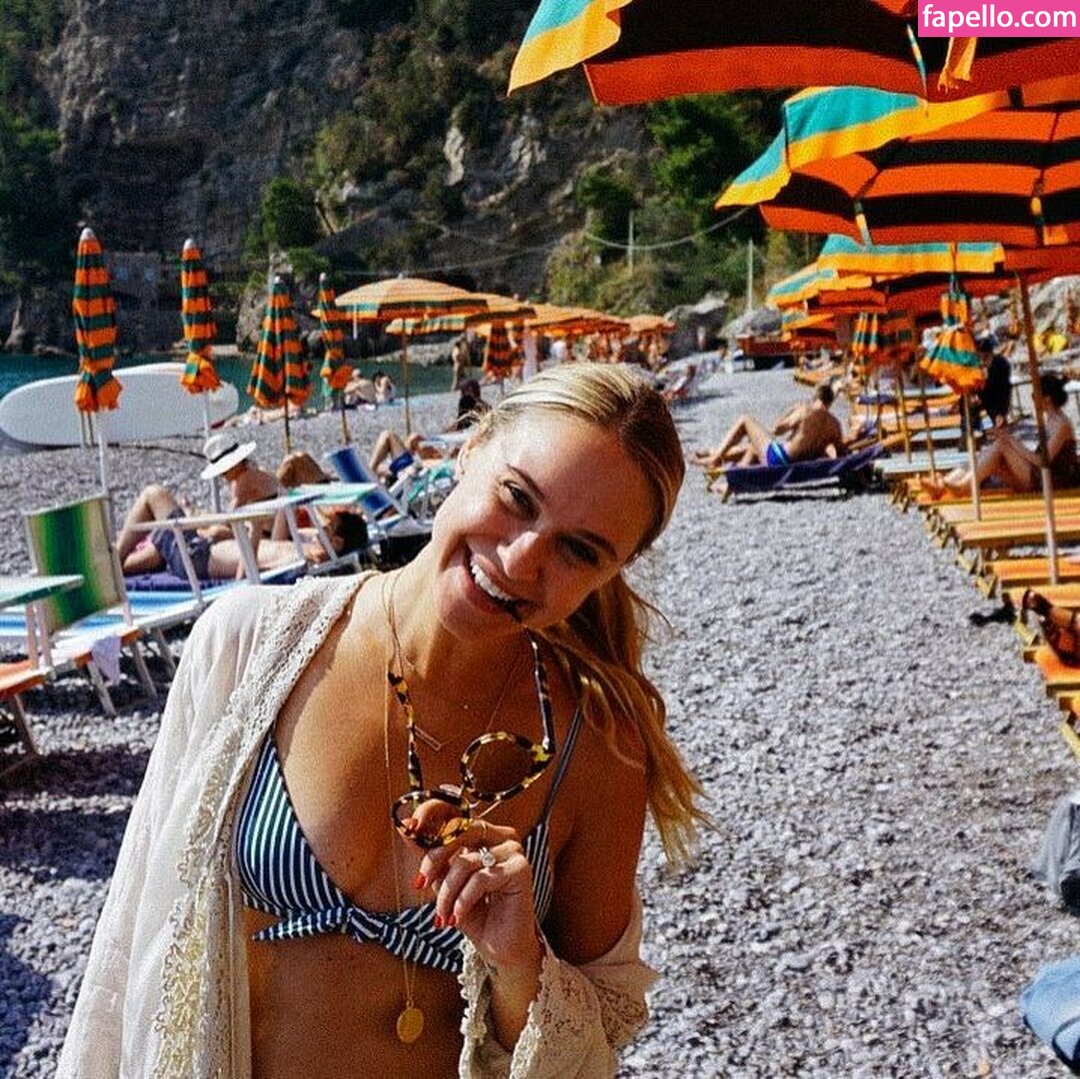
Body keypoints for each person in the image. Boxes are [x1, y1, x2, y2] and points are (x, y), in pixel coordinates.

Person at [58, 363, 705, 1077]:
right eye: (517, 498)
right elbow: (134, 933)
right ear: (471, 449)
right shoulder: (249, 647)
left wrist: (520, 967)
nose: (521, 561)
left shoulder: (596, 747)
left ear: (612, 572)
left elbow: (603, 1025)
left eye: (578, 550)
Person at [114, 483, 367, 581]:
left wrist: (254, 530)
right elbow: (275, 542)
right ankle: (113, 569)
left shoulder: (299, 559)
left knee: (153, 494)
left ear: (336, 542)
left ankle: (112, 560)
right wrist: (285, 500)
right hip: (199, 552)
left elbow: (244, 579)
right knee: (156, 550)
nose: (321, 526)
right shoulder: (303, 550)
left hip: (196, 558)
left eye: (328, 527)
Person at [925, 372, 1080, 498]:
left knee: (1001, 445)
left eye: (1034, 395)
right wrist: (1007, 437)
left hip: (1049, 481)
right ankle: (945, 483)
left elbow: (1042, 461)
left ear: (1047, 399)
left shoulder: (1061, 424)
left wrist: (1009, 439)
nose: (1032, 399)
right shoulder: (1050, 419)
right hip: (1039, 476)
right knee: (993, 455)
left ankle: (962, 486)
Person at [694, 382, 845, 469]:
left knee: (745, 420)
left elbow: (776, 430)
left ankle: (715, 457)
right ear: (830, 402)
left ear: (815, 397)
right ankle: (723, 462)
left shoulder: (806, 410)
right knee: (753, 446)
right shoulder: (835, 425)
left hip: (780, 459)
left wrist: (791, 409)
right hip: (801, 462)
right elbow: (837, 449)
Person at [200, 432, 280, 538]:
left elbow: (231, 515)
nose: (222, 475)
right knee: (211, 526)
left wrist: (204, 530)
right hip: (268, 528)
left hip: (267, 533)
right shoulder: (252, 472)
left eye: (224, 472)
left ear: (235, 464)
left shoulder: (245, 478)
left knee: (215, 532)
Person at [972, 334, 1012, 429]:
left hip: (995, 401)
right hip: (977, 405)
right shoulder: (972, 366)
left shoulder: (1002, 365)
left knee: (999, 427)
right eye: (979, 358)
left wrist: (1001, 413)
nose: (982, 362)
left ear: (992, 354)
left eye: (985, 358)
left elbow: (1005, 391)